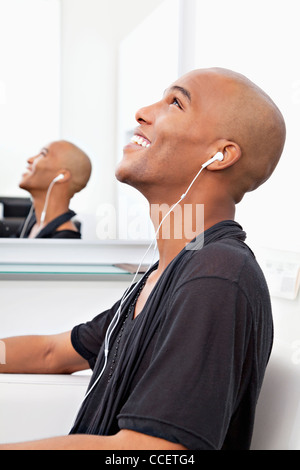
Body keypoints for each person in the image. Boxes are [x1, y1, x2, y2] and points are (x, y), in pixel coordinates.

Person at [0, 67, 286, 450]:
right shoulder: (163, 277)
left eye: (175, 102)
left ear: (219, 155)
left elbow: (154, 451)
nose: (142, 112)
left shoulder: (217, 276)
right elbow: (53, 353)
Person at [16, 140, 92, 239]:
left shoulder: (65, 240)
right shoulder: (31, 223)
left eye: (43, 154)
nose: (30, 159)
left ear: (61, 176)